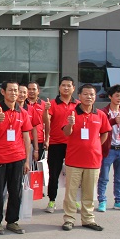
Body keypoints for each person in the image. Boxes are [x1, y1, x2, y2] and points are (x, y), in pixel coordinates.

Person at [61, 84, 111, 231]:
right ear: (79, 96)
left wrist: (95, 146)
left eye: (92, 94)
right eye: (86, 94)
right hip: (74, 160)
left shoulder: (100, 115)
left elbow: (105, 133)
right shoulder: (71, 113)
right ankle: (69, 219)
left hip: (93, 160)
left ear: (95, 97)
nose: (89, 97)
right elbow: (66, 133)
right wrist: (70, 124)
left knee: (89, 192)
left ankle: (88, 219)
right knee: (71, 192)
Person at [0, 81, 33, 235]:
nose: (14, 93)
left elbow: (26, 137)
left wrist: (27, 160)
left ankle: (12, 221)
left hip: (17, 157)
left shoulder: (22, 112)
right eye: (10, 90)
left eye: (16, 90)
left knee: (15, 191)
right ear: (3, 92)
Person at [43, 76, 78, 213]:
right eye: (63, 85)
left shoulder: (78, 105)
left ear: (73, 88)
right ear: (59, 87)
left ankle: (74, 201)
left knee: (74, 175)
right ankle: (52, 201)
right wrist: (45, 111)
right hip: (56, 144)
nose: (66, 88)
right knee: (54, 174)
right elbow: (46, 122)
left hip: (73, 145)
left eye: (69, 86)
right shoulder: (52, 104)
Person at [97, 85, 120, 212]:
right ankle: (102, 201)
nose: (119, 98)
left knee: (119, 178)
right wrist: (112, 121)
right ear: (110, 96)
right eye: (117, 96)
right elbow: (100, 129)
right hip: (108, 149)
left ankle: (119, 200)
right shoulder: (103, 113)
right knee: (103, 178)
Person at [26, 82, 47, 165]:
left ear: (38, 91)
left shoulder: (44, 105)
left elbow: (47, 123)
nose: (31, 91)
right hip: (24, 138)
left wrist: (47, 140)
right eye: (29, 89)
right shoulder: (22, 104)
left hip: (39, 139)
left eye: (34, 89)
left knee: (37, 167)